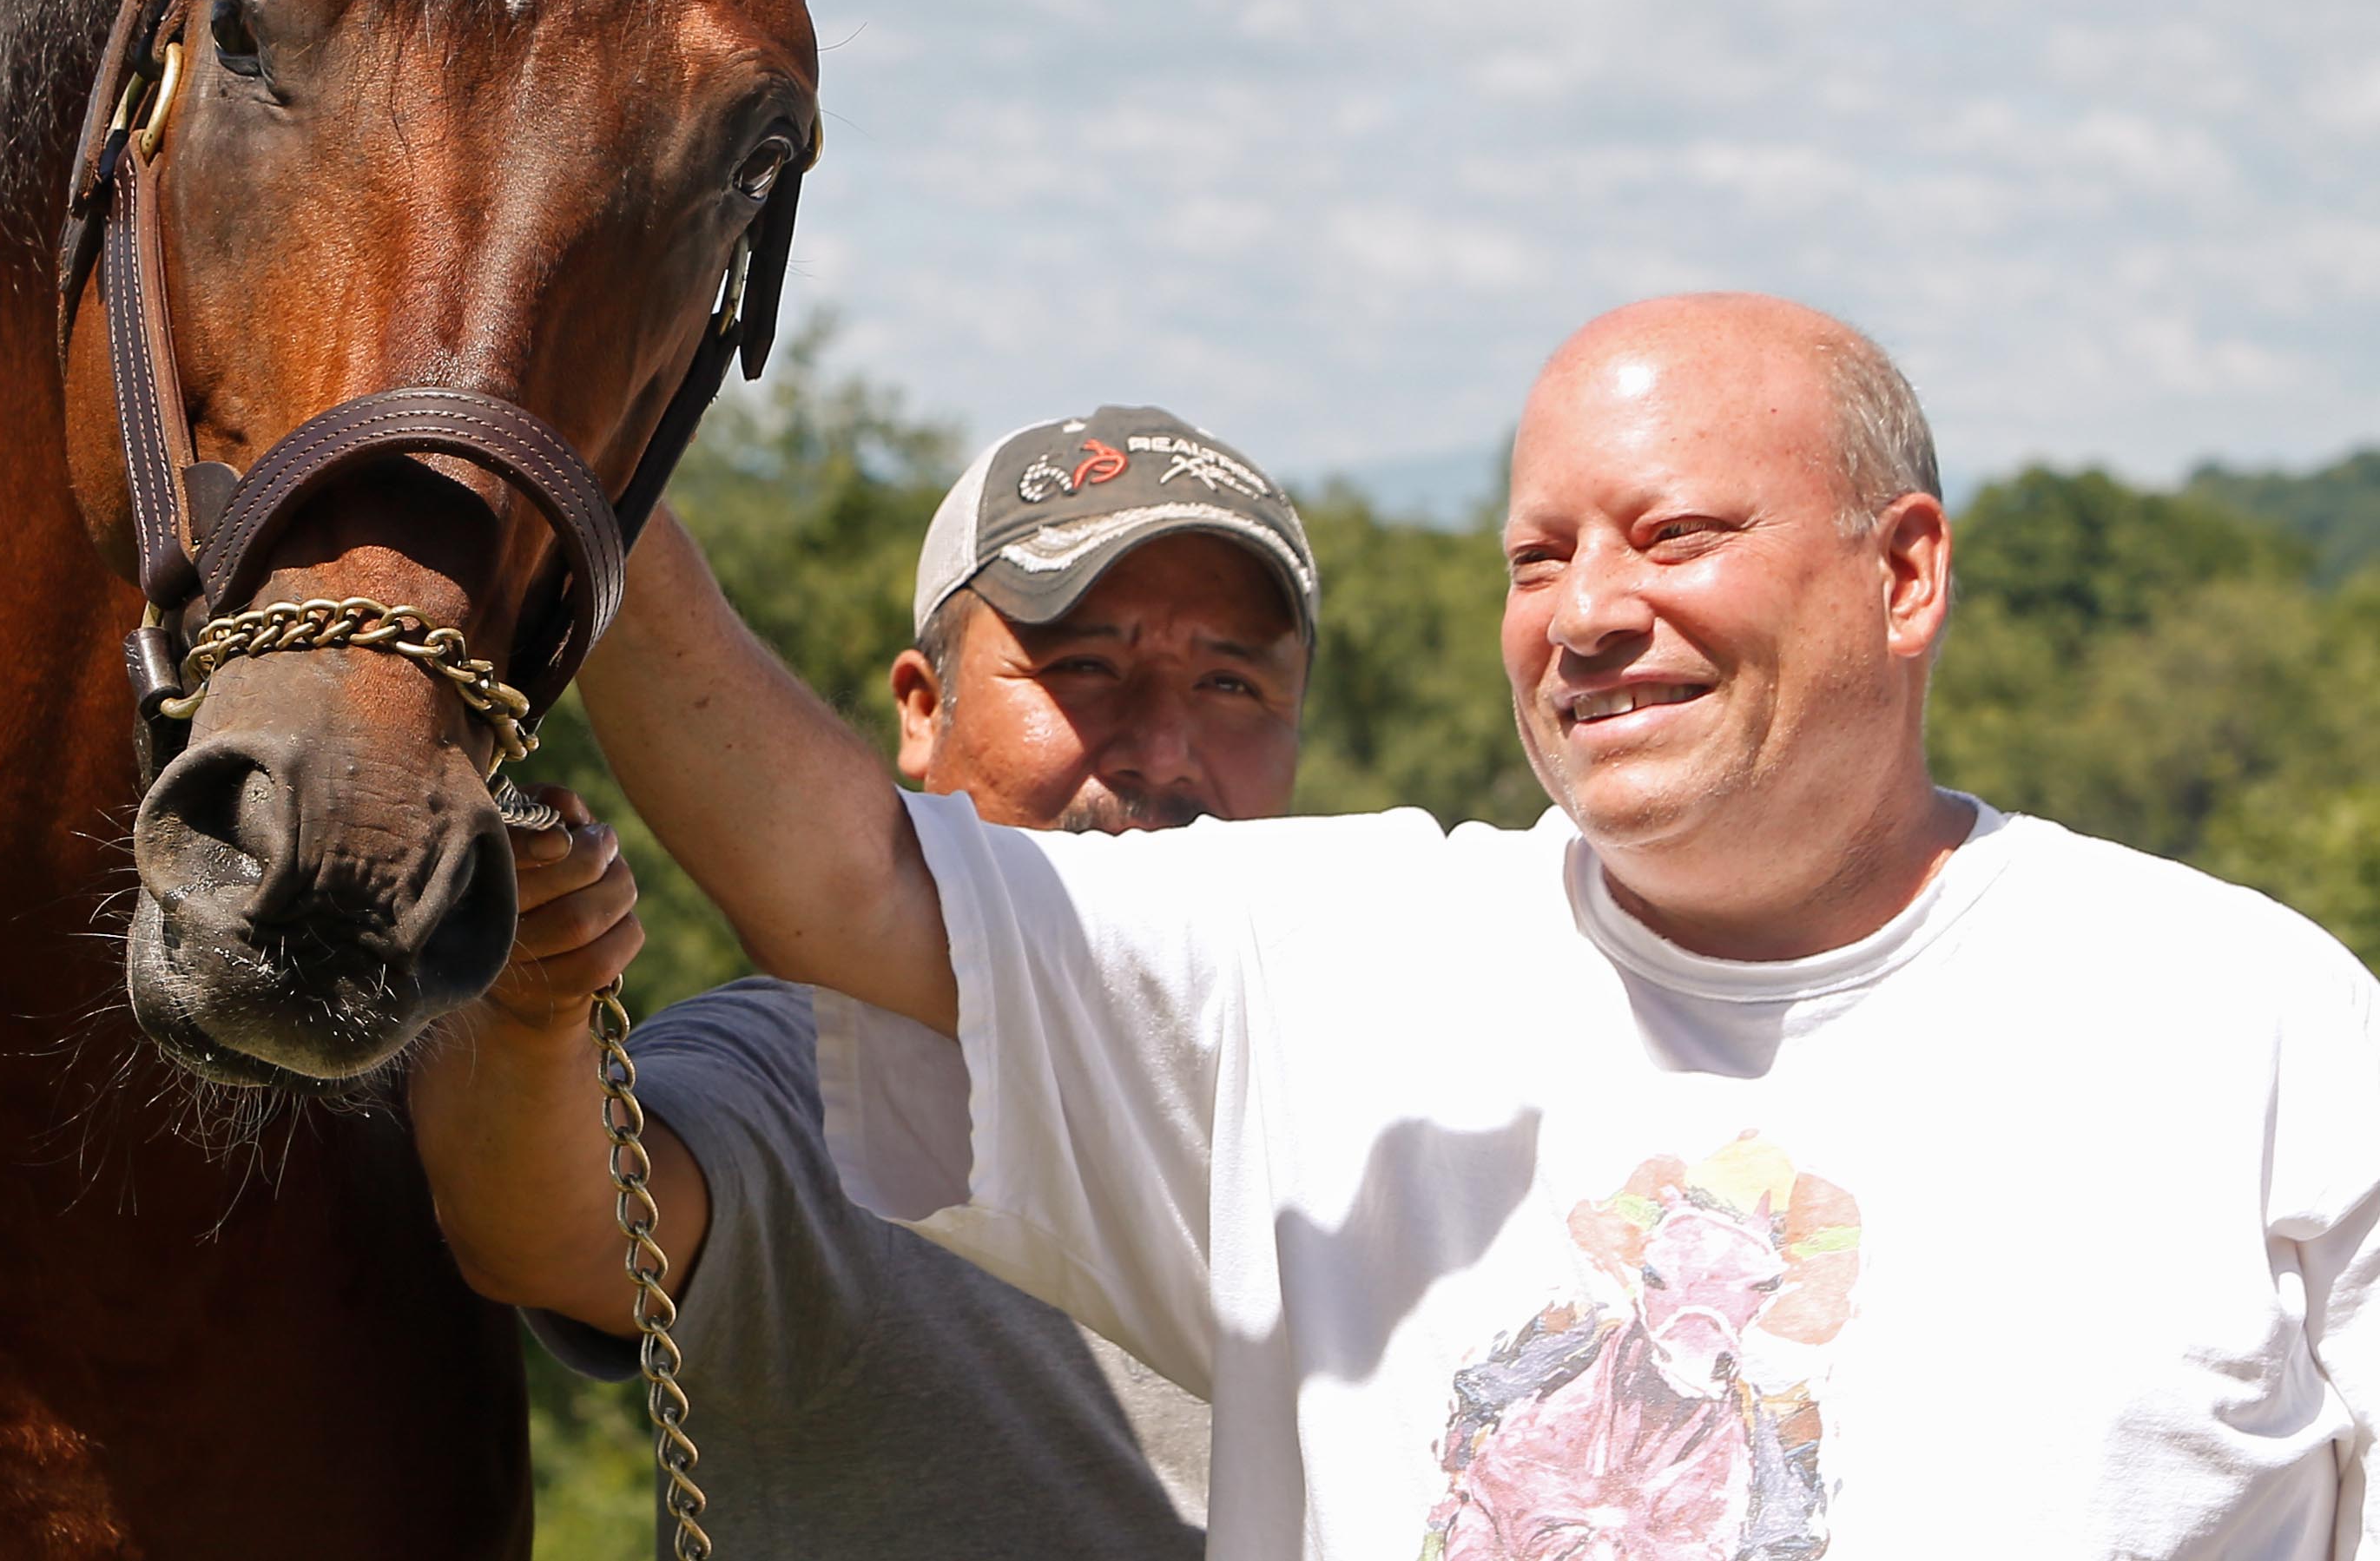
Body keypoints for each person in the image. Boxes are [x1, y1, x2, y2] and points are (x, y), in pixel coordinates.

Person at [570, 294, 2380, 1559]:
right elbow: (841, 876)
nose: (1589, 612)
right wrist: (556, 405)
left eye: (1672, 533)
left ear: (1903, 572)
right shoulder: (1339, 963)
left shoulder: (2260, 1038)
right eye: (1535, 556)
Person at [408, 406, 1321, 1556]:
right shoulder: (809, 1069)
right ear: (920, 708)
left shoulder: (1375, 1067)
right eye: (1083, 664)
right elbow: (550, 1235)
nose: (1160, 748)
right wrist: (534, 1008)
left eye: (1232, 684)